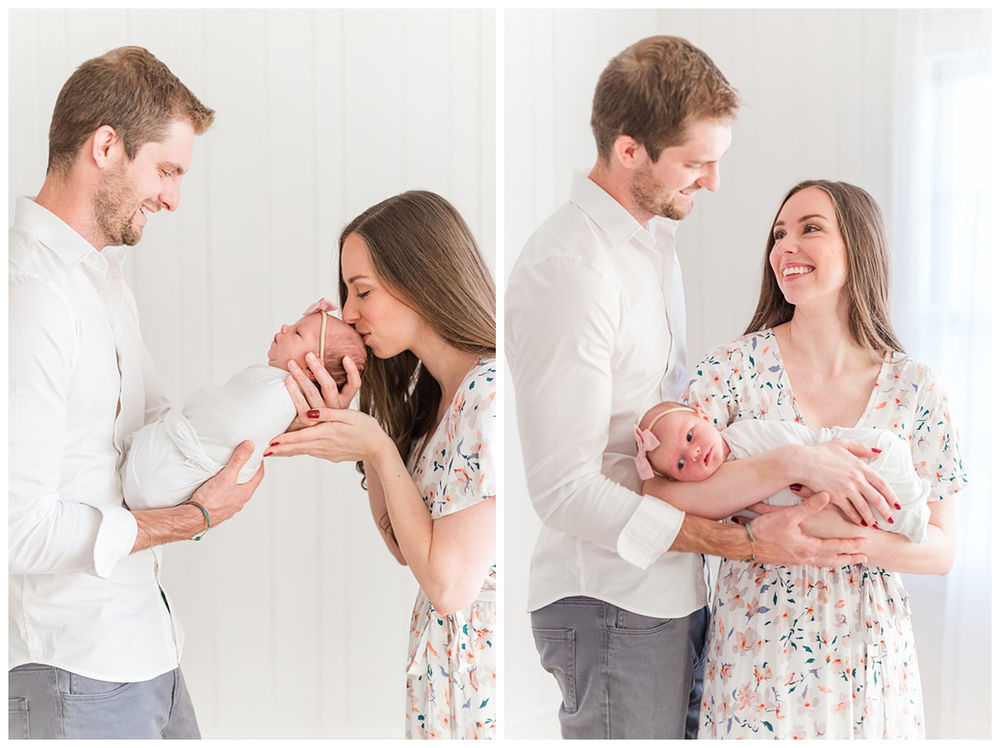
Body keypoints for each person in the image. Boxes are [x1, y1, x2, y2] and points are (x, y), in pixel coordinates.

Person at [505, 36, 892, 740]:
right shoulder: (572, 271)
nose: (712, 182)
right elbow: (562, 488)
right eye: (696, 163)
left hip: (667, 591)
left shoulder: (650, 248)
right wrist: (742, 543)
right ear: (629, 151)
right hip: (610, 598)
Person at [9, 46, 265, 739]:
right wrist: (193, 520)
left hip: (149, 648)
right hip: (75, 674)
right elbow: (18, 529)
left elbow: (154, 443)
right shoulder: (29, 297)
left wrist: (278, 396)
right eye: (167, 170)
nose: (174, 197)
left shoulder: (103, 281)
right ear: (105, 146)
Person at [665, 180, 965, 738]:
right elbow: (665, 495)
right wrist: (790, 465)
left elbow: (944, 548)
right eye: (779, 234)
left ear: (859, 247)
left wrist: (845, 540)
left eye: (810, 229)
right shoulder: (731, 370)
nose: (785, 246)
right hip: (758, 648)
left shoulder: (917, 388)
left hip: (872, 654)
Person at [265, 191, 497, 739]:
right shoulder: (435, 400)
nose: (347, 313)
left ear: (423, 281)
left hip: (479, 694)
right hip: (439, 689)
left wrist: (377, 448)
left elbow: (447, 586)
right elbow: (403, 547)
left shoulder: (488, 395)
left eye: (362, 291)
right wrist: (363, 424)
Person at [124, 305, 367, 510]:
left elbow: (232, 424)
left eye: (297, 332)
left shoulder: (280, 396)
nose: (285, 327)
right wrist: (312, 327)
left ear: (313, 367)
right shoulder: (273, 386)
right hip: (155, 471)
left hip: (166, 472)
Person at [634, 401, 930, 543]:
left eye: (690, 436)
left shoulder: (742, 437)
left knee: (889, 492)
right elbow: (657, 497)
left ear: (702, 415)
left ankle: (914, 512)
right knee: (877, 511)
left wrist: (808, 470)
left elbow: (807, 451)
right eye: (681, 464)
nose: (695, 453)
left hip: (854, 454)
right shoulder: (709, 497)